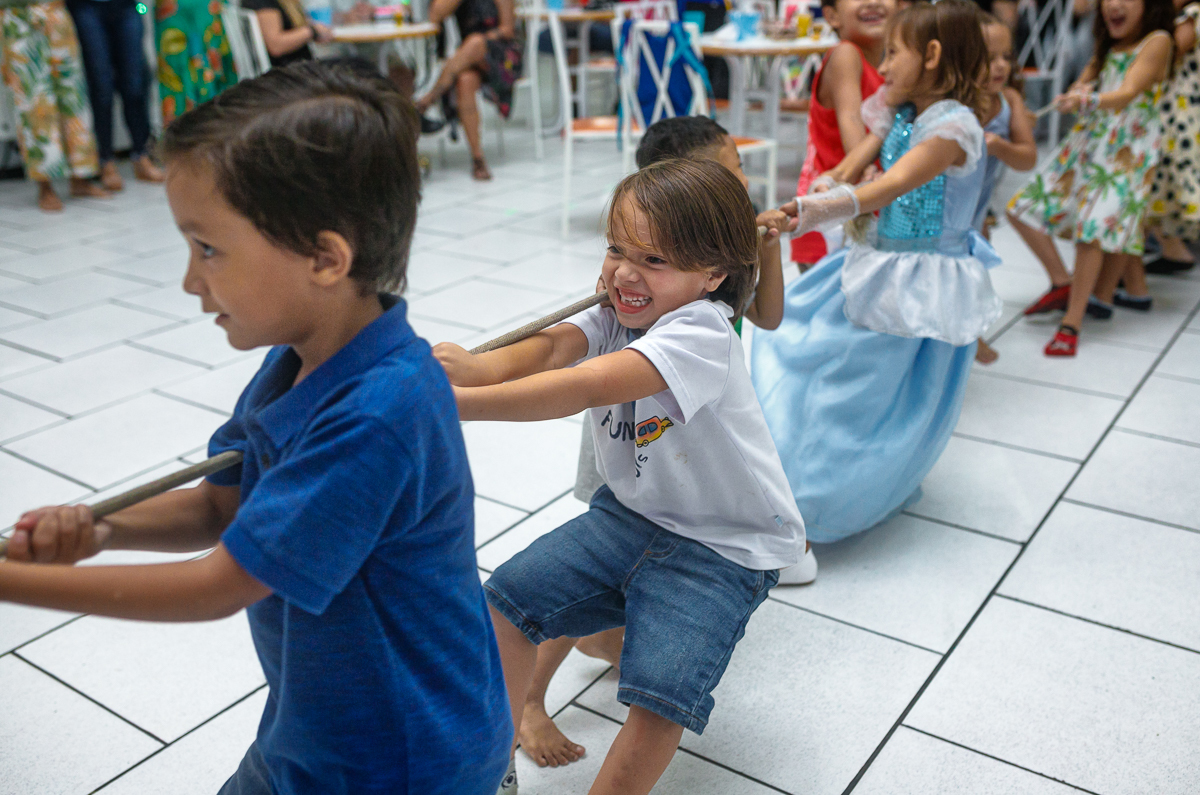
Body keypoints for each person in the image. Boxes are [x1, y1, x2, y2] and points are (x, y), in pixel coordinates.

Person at [0, 62, 512, 795]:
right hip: (316, 725)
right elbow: (222, 505)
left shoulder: (379, 411)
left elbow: (220, 583)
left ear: (324, 257)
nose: (188, 280)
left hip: (401, 757)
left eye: (208, 249)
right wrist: (100, 529)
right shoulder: (297, 364)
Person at [434, 158, 805, 795]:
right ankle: (486, 768)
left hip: (725, 547)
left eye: (655, 261)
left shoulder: (701, 330)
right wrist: (474, 369)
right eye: (616, 249)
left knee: (660, 691)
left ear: (712, 275)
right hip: (631, 516)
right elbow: (551, 348)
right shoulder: (617, 311)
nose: (625, 273)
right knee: (507, 599)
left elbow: (582, 385)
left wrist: (458, 406)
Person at [532, 115, 805, 773]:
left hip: (685, 419)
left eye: (737, 172)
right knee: (583, 564)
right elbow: (569, 364)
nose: (738, 185)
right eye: (723, 175)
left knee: (633, 563)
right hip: (625, 413)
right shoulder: (658, 260)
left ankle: (613, 634)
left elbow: (765, 315)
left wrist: (759, 246)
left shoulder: (717, 248)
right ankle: (530, 700)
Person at [752, 0, 1003, 559]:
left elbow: (887, 186)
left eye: (894, 53)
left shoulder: (955, 128)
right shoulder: (900, 111)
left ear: (933, 57)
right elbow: (851, 166)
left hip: (920, 284)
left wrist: (810, 212)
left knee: (880, 395)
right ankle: (804, 483)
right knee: (812, 350)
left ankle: (829, 499)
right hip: (874, 262)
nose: (883, 67)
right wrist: (822, 189)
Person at [1007, 0, 1174, 355]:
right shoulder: (1107, 45)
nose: (1113, 4)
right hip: (1091, 144)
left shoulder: (1157, 40)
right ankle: (1064, 282)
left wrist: (1086, 100)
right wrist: (1075, 94)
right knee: (1019, 209)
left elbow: (1127, 93)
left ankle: (1073, 321)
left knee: (1092, 233)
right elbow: (1083, 83)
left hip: (1128, 152)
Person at [792, 0, 894, 271]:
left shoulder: (891, 66)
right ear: (831, 15)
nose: (873, 2)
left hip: (857, 208)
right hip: (830, 215)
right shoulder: (846, 54)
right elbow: (851, 123)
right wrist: (868, 168)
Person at [0, 0, 110, 210]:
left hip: (55, 11)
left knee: (73, 95)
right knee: (33, 101)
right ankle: (45, 186)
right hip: (17, 15)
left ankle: (81, 178)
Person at [973, 11, 1038, 363]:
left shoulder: (1009, 100)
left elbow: (1027, 157)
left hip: (979, 210)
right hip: (942, 212)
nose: (1000, 66)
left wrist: (999, 145)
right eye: (988, 58)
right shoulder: (955, 103)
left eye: (1006, 57)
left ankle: (972, 334)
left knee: (976, 275)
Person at [414, 0, 523, 180]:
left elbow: (507, 29)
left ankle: (428, 99)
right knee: (464, 81)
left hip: (503, 57)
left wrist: (480, 42)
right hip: (469, 59)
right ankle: (477, 158)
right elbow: (435, 16)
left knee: (474, 43)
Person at [65, 0, 163, 189]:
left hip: (130, 6)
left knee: (135, 86)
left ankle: (141, 155)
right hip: (86, 8)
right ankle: (105, 160)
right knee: (102, 88)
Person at [1144, 0, 1199, 275]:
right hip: (1173, 106)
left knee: (1165, 175)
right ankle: (1172, 248)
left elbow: (1174, 50)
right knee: (1162, 180)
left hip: (1179, 109)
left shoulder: (1191, 15)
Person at [154, 0, 239, 124]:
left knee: (214, 67)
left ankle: (218, 129)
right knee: (176, 72)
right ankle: (188, 134)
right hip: (173, 11)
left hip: (206, 8)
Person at [242, 0, 334, 68]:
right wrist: (312, 31)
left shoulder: (287, 3)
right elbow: (276, 46)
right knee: (345, 66)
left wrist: (315, 32)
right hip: (287, 70)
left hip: (296, 66)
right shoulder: (263, 3)